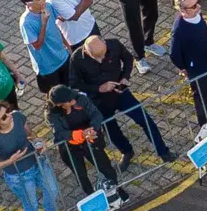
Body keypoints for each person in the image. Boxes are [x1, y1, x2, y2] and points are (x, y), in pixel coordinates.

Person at [70, 34, 173, 165]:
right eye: (97, 57)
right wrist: (99, 88)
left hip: (120, 92)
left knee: (145, 120)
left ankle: (163, 151)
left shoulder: (114, 44)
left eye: (104, 54)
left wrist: (125, 77)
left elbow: (129, 59)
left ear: (105, 44)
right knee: (111, 129)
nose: (102, 59)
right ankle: (126, 151)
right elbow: (75, 84)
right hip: (99, 100)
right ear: (87, 51)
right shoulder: (77, 59)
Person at [46, 84, 128, 202]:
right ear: (60, 104)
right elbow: (59, 133)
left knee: (106, 167)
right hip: (69, 147)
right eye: (69, 100)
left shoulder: (80, 99)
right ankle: (95, 200)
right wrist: (81, 134)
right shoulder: (52, 114)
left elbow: (96, 114)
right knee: (81, 175)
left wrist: (92, 129)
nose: (73, 99)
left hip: (90, 140)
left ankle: (117, 189)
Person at [167, 0, 207, 134]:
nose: (198, 7)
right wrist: (184, 67)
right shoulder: (180, 29)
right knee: (203, 98)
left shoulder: (197, 15)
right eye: (193, 6)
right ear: (183, 10)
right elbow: (174, 53)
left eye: (197, 2)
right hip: (197, 68)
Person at [18, 0, 73, 95]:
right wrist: (43, 23)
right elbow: (37, 46)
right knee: (56, 95)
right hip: (48, 66)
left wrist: (68, 47)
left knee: (70, 88)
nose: (44, 0)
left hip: (63, 56)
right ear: (29, 4)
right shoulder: (26, 23)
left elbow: (56, 28)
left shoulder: (48, 6)